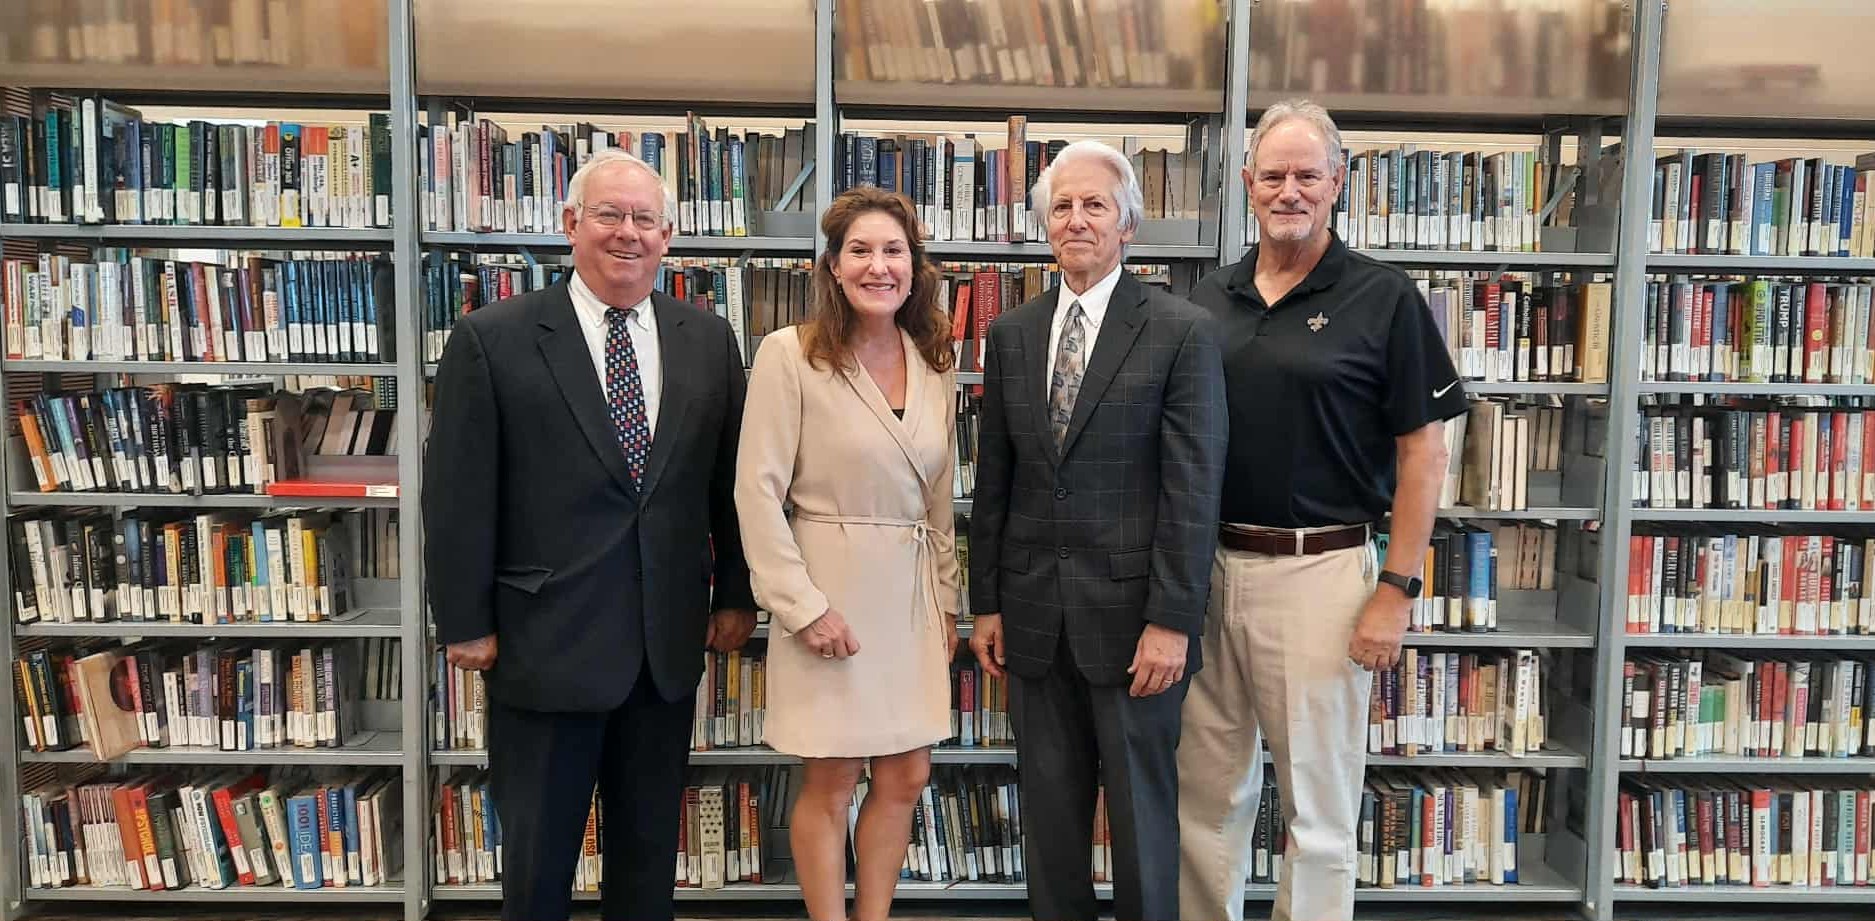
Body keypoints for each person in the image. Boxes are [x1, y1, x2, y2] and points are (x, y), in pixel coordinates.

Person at [422, 147, 758, 921]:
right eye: (609, 214)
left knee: (646, 866)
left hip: (663, 649)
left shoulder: (707, 340)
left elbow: (729, 483)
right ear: (571, 222)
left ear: (667, 236)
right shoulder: (492, 337)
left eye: (644, 218)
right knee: (538, 868)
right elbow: (458, 492)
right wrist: (464, 619)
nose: (627, 233)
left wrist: (736, 592)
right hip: (544, 644)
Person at [1176, 99, 1465, 921]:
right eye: (1272, 174)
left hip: (1322, 573)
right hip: (1208, 575)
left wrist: (1396, 590)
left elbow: (1424, 455)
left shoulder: (1384, 297)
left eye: (1307, 174)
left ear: (1338, 182)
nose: (1289, 190)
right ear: (1246, 182)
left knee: (1318, 809)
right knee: (1204, 798)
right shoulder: (1209, 298)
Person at [966, 139, 1228, 921]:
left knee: (1143, 821)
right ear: (1045, 224)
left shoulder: (1180, 330)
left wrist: (1171, 620)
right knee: (1050, 826)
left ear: (1127, 225)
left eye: (1094, 205)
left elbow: (1192, 488)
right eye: (1061, 207)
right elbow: (996, 479)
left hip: (1135, 628)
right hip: (1033, 620)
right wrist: (987, 602)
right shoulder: (1011, 334)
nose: (1075, 220)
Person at [734, 186, 961, 921]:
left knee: (907, 775)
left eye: (893, 251)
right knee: (831, 780)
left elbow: (938, 499)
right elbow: (756, 493)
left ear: (914, 266)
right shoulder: (790, 355)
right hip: (828, 591)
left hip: (911, 598)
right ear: (832, 266)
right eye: (859, 251)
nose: (877, 266)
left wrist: (946, 600)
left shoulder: (934, 361)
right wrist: (801, 607)